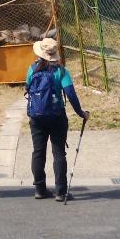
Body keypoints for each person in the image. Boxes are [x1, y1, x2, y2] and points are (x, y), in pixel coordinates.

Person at [26, 38, 88, 201]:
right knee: (59, 153)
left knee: (38, 152)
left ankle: (39, 189)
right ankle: (60, 192)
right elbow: (71, 95)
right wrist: (81, 113)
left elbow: (27, 88)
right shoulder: (61, 71)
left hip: (36, 117)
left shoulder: (32, 69)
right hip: (57, 116)